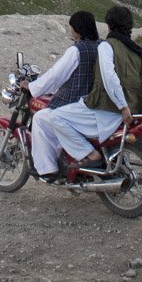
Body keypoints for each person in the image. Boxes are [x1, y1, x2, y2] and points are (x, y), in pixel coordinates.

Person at [38, 5, 142, 182]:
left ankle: (90, 155)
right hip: (134, 110)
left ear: (108, 24)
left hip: (106, 111)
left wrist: (122, 106)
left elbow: (109, 78)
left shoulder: (107, 47)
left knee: (55, 117)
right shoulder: (136, 50)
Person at [26, 11, 103, 180]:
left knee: (40, 118)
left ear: (77, 30)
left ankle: (48, 169)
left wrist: (32, 87)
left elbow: (56, 75)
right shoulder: (102, 46)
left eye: (72, 28)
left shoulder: (76, 50)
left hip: (74, 103)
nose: (71, 32)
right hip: (97, 103)